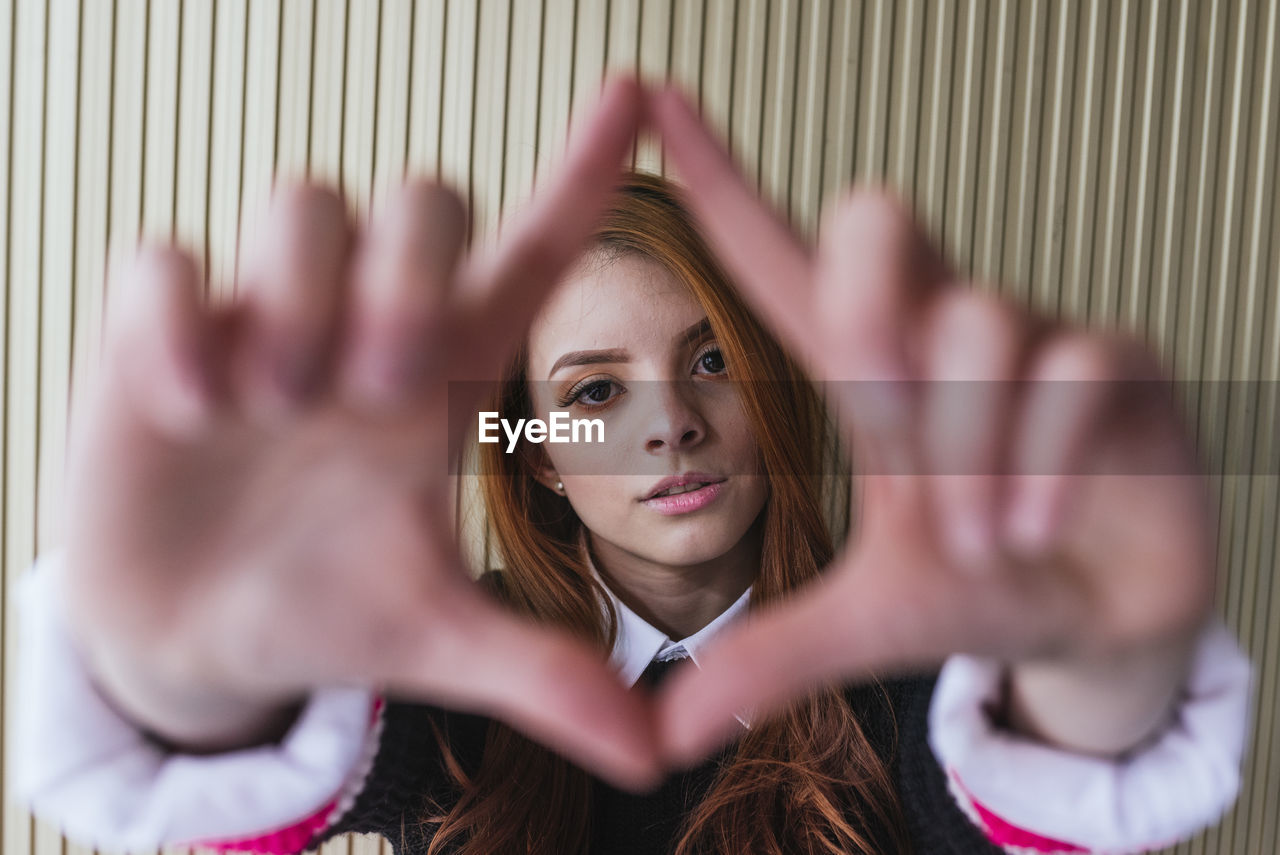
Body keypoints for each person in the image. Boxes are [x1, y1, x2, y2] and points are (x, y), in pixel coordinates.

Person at [10, 77, 1252, 854]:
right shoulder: (451, 664)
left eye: (710, 360)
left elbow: (1031, 782)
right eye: (594, 391)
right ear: (536, 454)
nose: (668, 425)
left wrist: (1099, 671)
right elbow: (277, 757)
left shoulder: (924, 674)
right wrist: (185, 683)